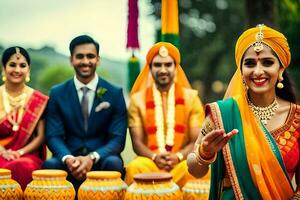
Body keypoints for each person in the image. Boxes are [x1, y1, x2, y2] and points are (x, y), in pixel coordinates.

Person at [187, 24, 300, 199]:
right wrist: (204, 153)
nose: (258, 71)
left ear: (281, 69)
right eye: (250, 63)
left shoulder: (297, 118)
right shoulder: (222, 114)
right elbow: (194, 170)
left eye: (267, 62)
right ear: (241, 70)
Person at [43, 35, 127, 190]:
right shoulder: (57, 93)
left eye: (90, 56)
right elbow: (53, 136)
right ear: (71, 60)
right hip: (69, 160)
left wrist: (92, 158)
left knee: (114, 162)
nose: (85, 61)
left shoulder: (114, 93)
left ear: (98, 59)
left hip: (102, 159)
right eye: (79, 56)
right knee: (50, 165)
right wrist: (68, 159)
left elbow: (118, 139)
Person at [125, 42, 207, 187]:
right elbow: (137, 143)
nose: (163, 70)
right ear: (149, 68)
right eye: (157, 65)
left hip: (182, 163)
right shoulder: (137, 100)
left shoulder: (191, 98)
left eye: (168, 65)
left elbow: (196, 140)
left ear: (176, 68)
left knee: (201, 170)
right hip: (150, 162)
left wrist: (178, 156)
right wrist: (154, 157)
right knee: (134, 167)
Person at [0, 46, 48, 190]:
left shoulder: (38, 100)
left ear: (29, 69)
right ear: (4, 68)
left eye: (22, 65)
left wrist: (19, 152)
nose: (17, 70)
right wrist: (2, 151)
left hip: (27, 155)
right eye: (12, 65)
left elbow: (41, 136)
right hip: (0, 152)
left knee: (21, 166)